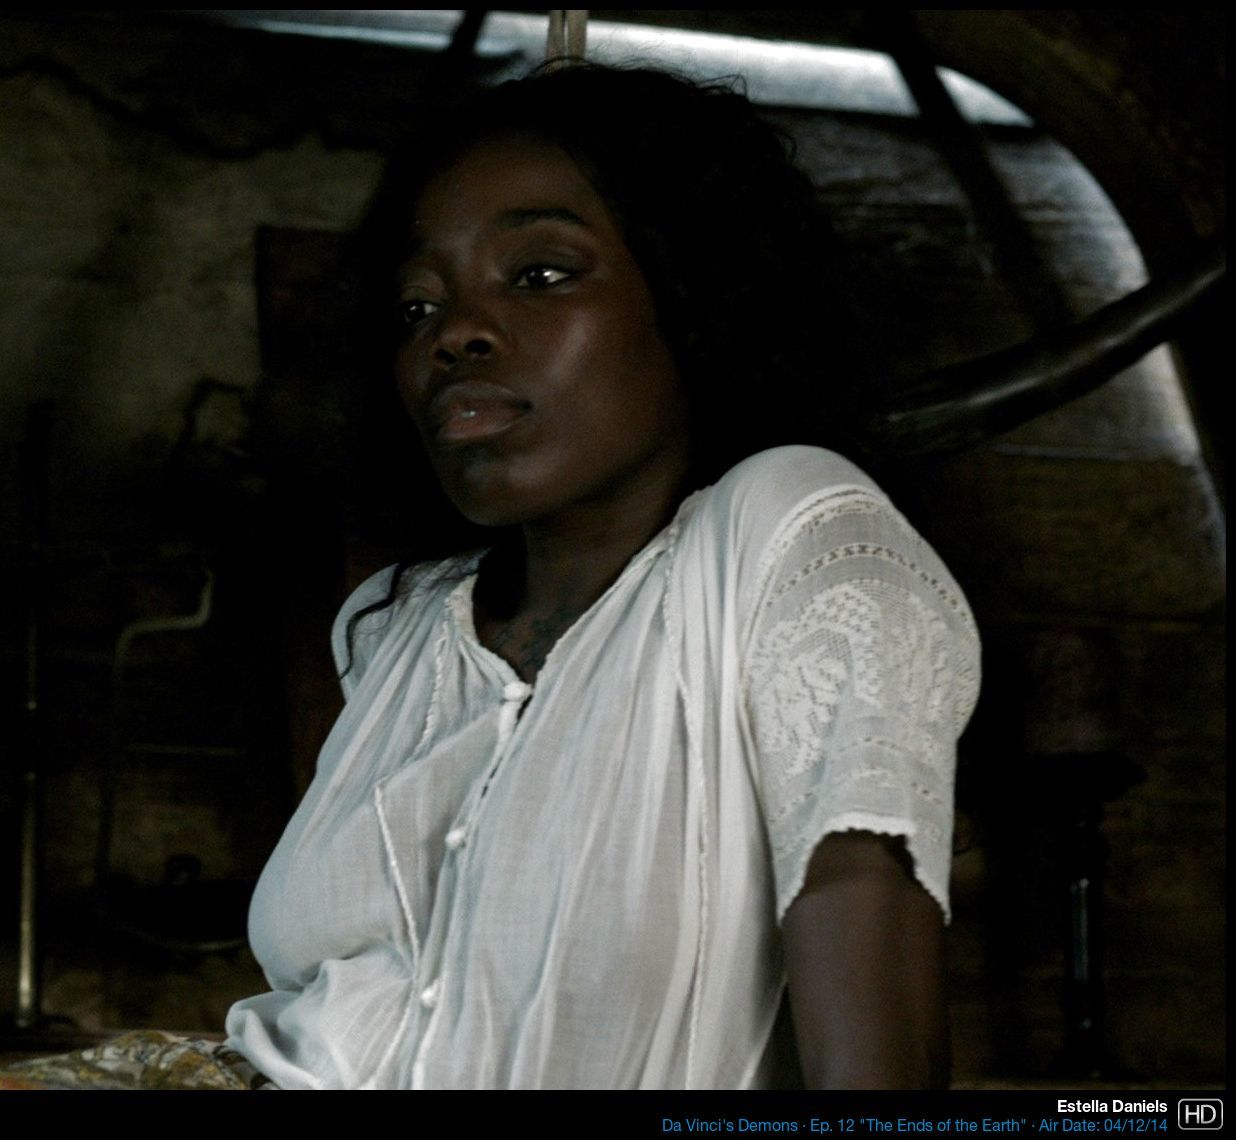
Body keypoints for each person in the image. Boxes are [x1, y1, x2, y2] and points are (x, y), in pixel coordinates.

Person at [220, 61, 981, 1089]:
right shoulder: (396, 629)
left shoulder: (786, 533)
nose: (454, 333)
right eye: (416, 306)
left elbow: (861, 909)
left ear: (696, 296)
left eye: (539, 274)